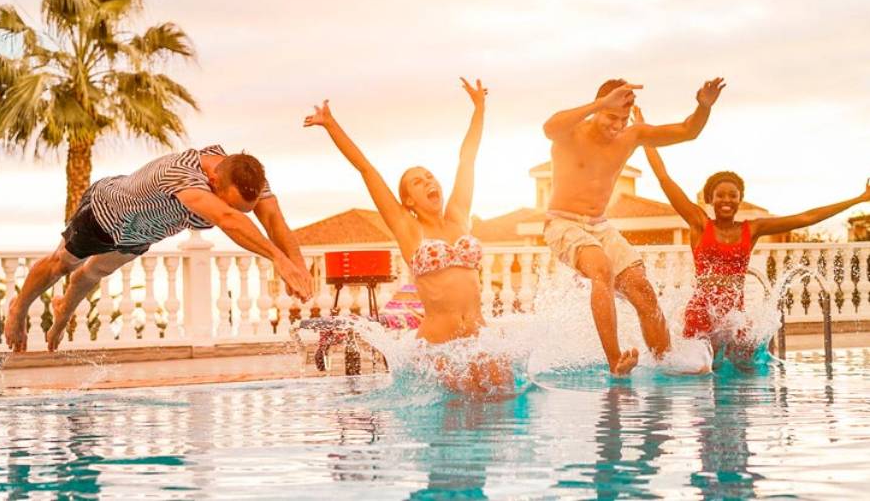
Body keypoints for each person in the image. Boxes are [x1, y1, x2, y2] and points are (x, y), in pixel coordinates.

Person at [304, 78, 510, 396]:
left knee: (504, 400)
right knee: (458, 414)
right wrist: (331, 125)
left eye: (429, 176)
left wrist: (479, 108)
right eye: (417, 181)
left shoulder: (458, 215)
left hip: (479, 339)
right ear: (409, 201)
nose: (428, 181)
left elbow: (467, 158)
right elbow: (367, 170)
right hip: (440, 347)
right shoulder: (408, 228)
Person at [4, 146, 314, 352]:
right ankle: (18, 308)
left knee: (94, 272)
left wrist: (297, 267)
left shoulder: (246, 176)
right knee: (63, 264)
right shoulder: (181, 172)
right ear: (212, 179)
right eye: (229, 202)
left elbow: (273, 220)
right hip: (105, 215)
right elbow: (227, 218)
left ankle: (63, 311)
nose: (234, 209)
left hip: (143, 233)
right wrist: (278, 259)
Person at [636, 106, 870, 363]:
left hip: (733, 316)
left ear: (740, 199)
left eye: (732, 195)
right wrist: (644, 135)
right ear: (710, 198)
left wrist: (859, 199)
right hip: (701, 313)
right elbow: (664, 178)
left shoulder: (753, 229)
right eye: (720, 195)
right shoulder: (700, 224)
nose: (726, 200)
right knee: (701, 369)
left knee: (746, 368)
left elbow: (806, 218)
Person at [542, 77, 725, 375]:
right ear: (598, 108)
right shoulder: (571, 132)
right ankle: (615, 362)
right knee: (602, 268)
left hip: (600, 226)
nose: (617, 126)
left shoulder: (631, 136)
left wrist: (703, 106)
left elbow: (687, 131)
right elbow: (549, 128)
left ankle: (666, 361)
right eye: (611, 117)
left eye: (622, 119)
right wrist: (602, 103)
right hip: (562, 222)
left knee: (642, 288)